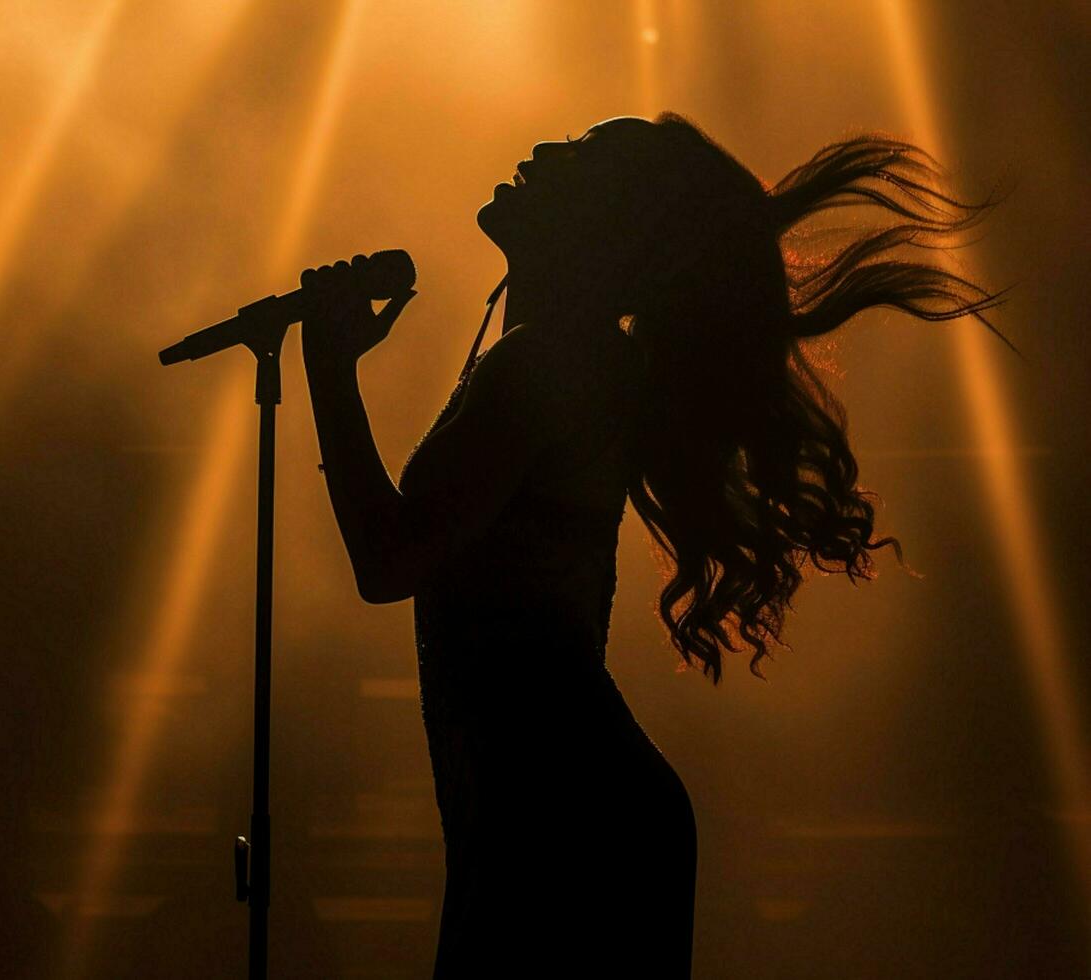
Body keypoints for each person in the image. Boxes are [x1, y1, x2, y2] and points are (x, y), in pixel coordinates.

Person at [297, 113, 1004, 977]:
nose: (545, 151)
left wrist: (328, 371)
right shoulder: (560, 358)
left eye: (582, 160)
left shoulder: (551, 363)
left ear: (606, 229)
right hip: (571, 809)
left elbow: (390, 560)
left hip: (561, 819)